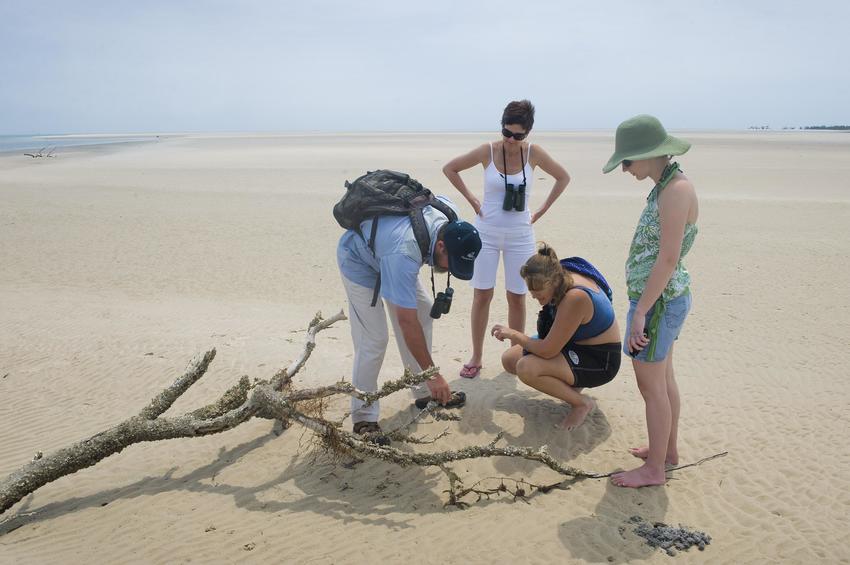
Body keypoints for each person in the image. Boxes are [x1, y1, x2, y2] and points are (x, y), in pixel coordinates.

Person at [602, 115, 699, 488]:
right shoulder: (664, 186)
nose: (625, 169)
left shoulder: (676, 190)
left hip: (657, 304)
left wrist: (640, 312)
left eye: (626, 161)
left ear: (647, 154)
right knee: (664, 379)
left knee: (651, 386)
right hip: (659, 300)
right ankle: (667, 451)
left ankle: (655, 469)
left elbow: (668, 259)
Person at [336, 192, 482, 440]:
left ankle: (424, 390)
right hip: (359, 261)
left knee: (424, 309)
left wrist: (430, 377)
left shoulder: (449, 215)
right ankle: (364, 419)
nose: (449, 269)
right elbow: (406, 322)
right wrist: (435, 374)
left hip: (391, 252)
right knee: (374, 340)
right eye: (451, 262)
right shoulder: (404, 250)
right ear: (441, 245)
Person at [443, 100, 570, 379]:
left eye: (518, 135)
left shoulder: (534, 154)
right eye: (507, 133)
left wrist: (541, 210)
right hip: (486, 233)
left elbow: (563, 177)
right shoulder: (487, 150)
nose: (511, 140)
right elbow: (450, 169)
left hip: (520, 235)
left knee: (517, 296)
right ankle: (476, 357)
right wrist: (472, 199)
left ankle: (516, 354)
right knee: (482, 295)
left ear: (528, 133)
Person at [491, 243, 621, 430]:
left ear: (553, 282)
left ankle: (581, 403)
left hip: (600, 359)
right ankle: (573, 385)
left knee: (526, 368)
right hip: (574, 342)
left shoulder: (575, 297)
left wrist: (515, 334)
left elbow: (547, 350)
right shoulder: (560, 273)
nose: (537, 299)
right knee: (510, 359)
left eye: (540, 296)